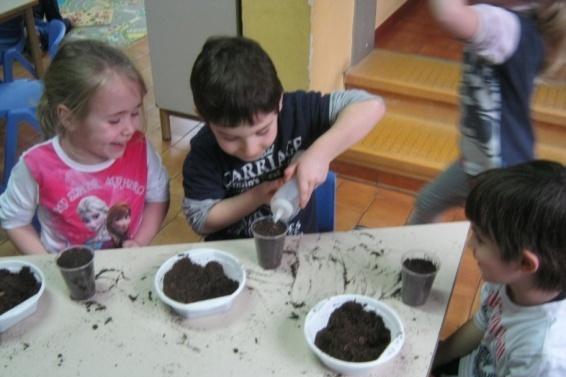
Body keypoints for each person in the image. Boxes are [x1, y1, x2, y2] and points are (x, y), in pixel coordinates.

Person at [183, 36, 385, 240]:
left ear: (279, 101)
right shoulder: (204, 152)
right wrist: (257, 196)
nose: (251, 149)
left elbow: (371, 106)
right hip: (236, 256)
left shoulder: (298, 112)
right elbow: (201, 220)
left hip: (300, 247)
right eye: (230, 137)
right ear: (203, 117)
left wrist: (319, 154)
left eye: (262, 131)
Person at [418, 160, 566, 377]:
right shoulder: (512, 281)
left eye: (481, 239)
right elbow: (482, 322)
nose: (469, 243)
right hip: (475, 374)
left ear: (524, 262)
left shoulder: (543, 352)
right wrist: (432, 358)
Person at [0, 39, 170, 254]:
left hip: (129, 266)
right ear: (69, 118)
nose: (130, 128)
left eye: (135, 113)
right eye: (115, 120)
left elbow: (158, 197)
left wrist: (139, 244)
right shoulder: (37, 165)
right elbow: (14, 220)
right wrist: (49, 266)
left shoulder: (139, 148)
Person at [408, 0, 566, 224]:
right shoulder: (524, 18)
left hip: (498, 171)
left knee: (495, 243)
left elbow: (448, 14)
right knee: (427, 202)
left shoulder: (505, 26)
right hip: (482, 161)